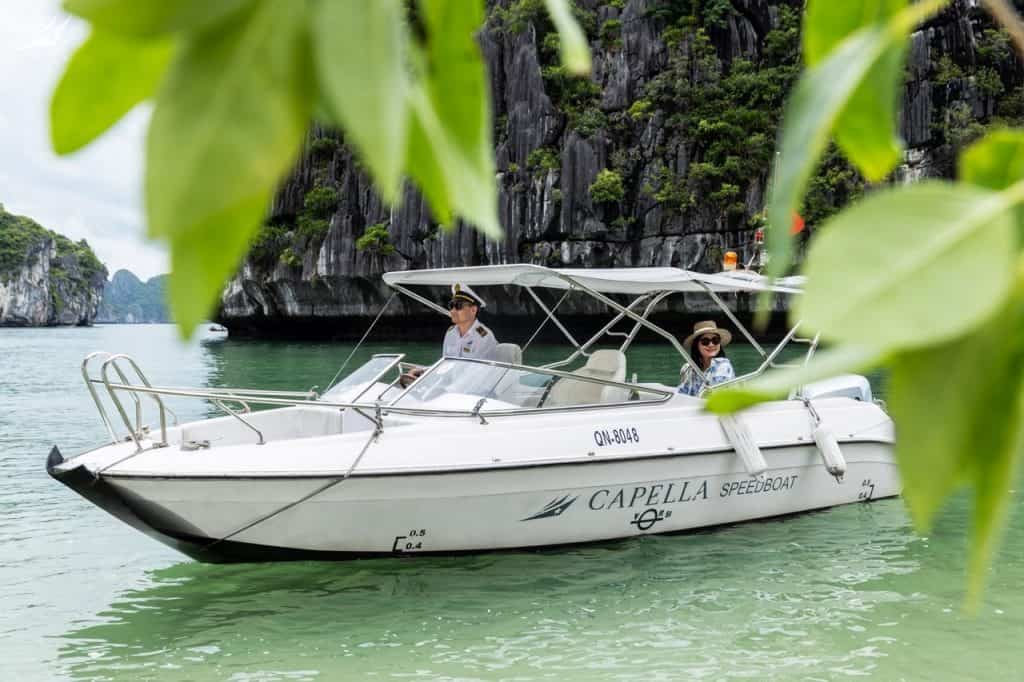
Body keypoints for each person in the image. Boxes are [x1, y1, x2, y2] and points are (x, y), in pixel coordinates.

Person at [400, 283, 498, 386]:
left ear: (473, 310)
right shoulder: (451, 333)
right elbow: (445, 365)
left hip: (476, 392)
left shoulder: (483, 337)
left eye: (458, 306)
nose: (453, 311)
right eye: (451, 306)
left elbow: (477, 376)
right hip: (454, 389)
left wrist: (444, 389)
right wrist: (423, 371)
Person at [677, 320, 735, 397]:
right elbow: (680, 394)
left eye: (715, 340)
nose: (711, 344)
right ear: (696, 345)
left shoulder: (723, 366)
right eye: (705, 341)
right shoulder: (687, 368)